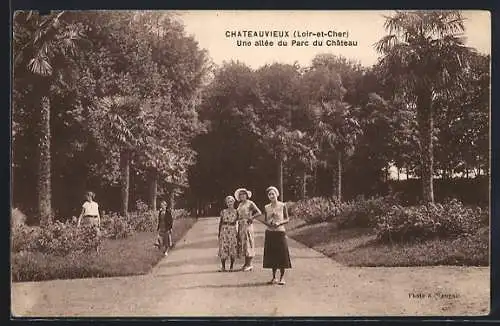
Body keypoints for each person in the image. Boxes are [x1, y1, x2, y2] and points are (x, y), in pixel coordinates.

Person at [262, 186, 291, 285]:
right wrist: (269, 223)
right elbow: (265, 220)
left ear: (277, 194)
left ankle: (282, 278)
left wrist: (279, 223)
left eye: (273, 194)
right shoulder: (266, 207)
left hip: (280, 232)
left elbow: (287, 219)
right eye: (269, 194)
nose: (271, 196)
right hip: (270, 232)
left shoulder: (282, 205)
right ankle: (274, 277)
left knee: (281, 254)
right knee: (272, 255)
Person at [234, 187, 262, 271]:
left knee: (248, 242)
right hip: (241, 225)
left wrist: (252, 218)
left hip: (247, 224)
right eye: (240, 195)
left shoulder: (250, 203)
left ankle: (249, 264)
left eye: (244, 194)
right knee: (243, 243)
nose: (242, 196)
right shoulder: (240, 205)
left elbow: (259, 212)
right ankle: (246, 263)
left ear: (247, 195)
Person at [217, 195, 239, 272]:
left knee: (232, 248)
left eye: (231, 201)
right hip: (224, 230)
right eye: (228, 202)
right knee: (223, 247)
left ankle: (231, 267)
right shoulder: (223, 211)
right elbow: (220, 222)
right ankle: (223, 267)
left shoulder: (236, 211)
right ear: (226, 203)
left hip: (232, 230)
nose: (230, 203)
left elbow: (238, 222)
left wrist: (238, 233)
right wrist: (219, 232)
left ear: (234, 202)